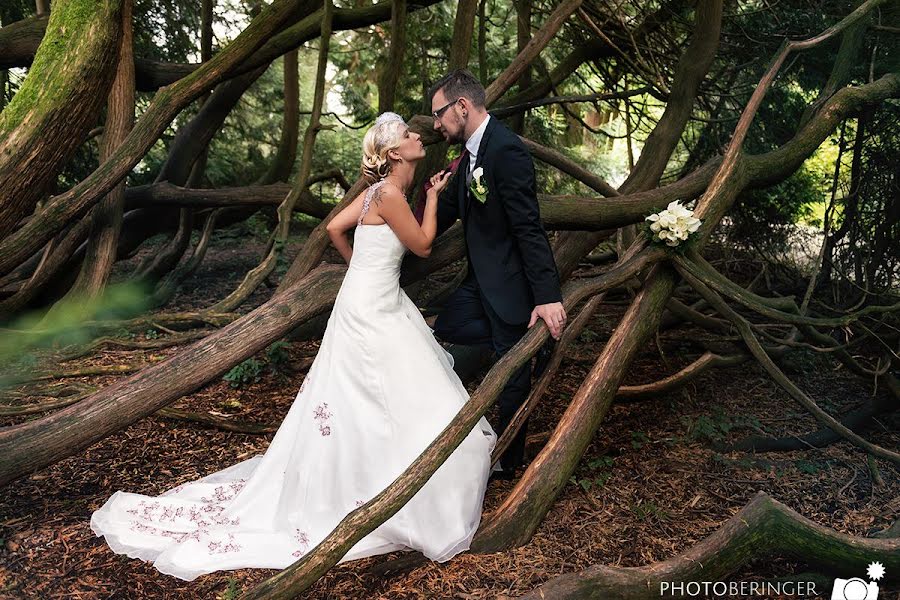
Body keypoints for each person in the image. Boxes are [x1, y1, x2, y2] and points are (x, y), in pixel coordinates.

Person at [89, 112, 497, 582]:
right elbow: (424, 246)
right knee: (389, 387)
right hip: (376, 308)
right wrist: (433, 199)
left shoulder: (374, 195)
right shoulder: (388, 193)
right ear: (393, 154)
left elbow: (333, 230)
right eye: (407, 134)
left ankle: (370, 474)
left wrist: (364, 270)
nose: (415, 136)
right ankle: (384, 483)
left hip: (362, 299)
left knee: (365, 392)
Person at [429, 69, 566, 478]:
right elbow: (450, 208)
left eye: (439, 115)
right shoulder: (471, 153)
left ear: (462, 106)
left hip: (510, 284)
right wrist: (401, 226)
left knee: (511, 382)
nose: (436, 125)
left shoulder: (505, 150)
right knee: (449, 325)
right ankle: (521, 346)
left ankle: (511, 461)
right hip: (481, 281)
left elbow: (528, 226)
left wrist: (547, 296)